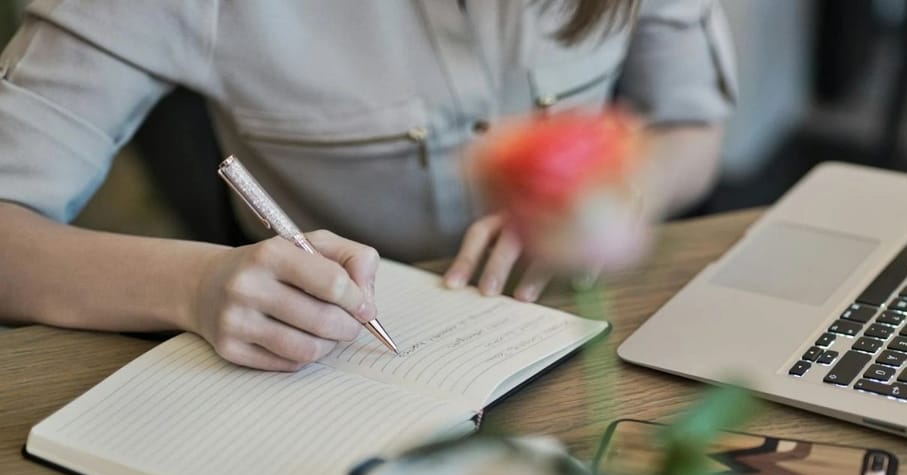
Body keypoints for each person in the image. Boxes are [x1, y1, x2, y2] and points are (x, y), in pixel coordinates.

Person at [0, 0, 737, 371]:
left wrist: (616, 200)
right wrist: (192, 285)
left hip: (591, 342)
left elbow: (693, 129)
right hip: (334, 369)